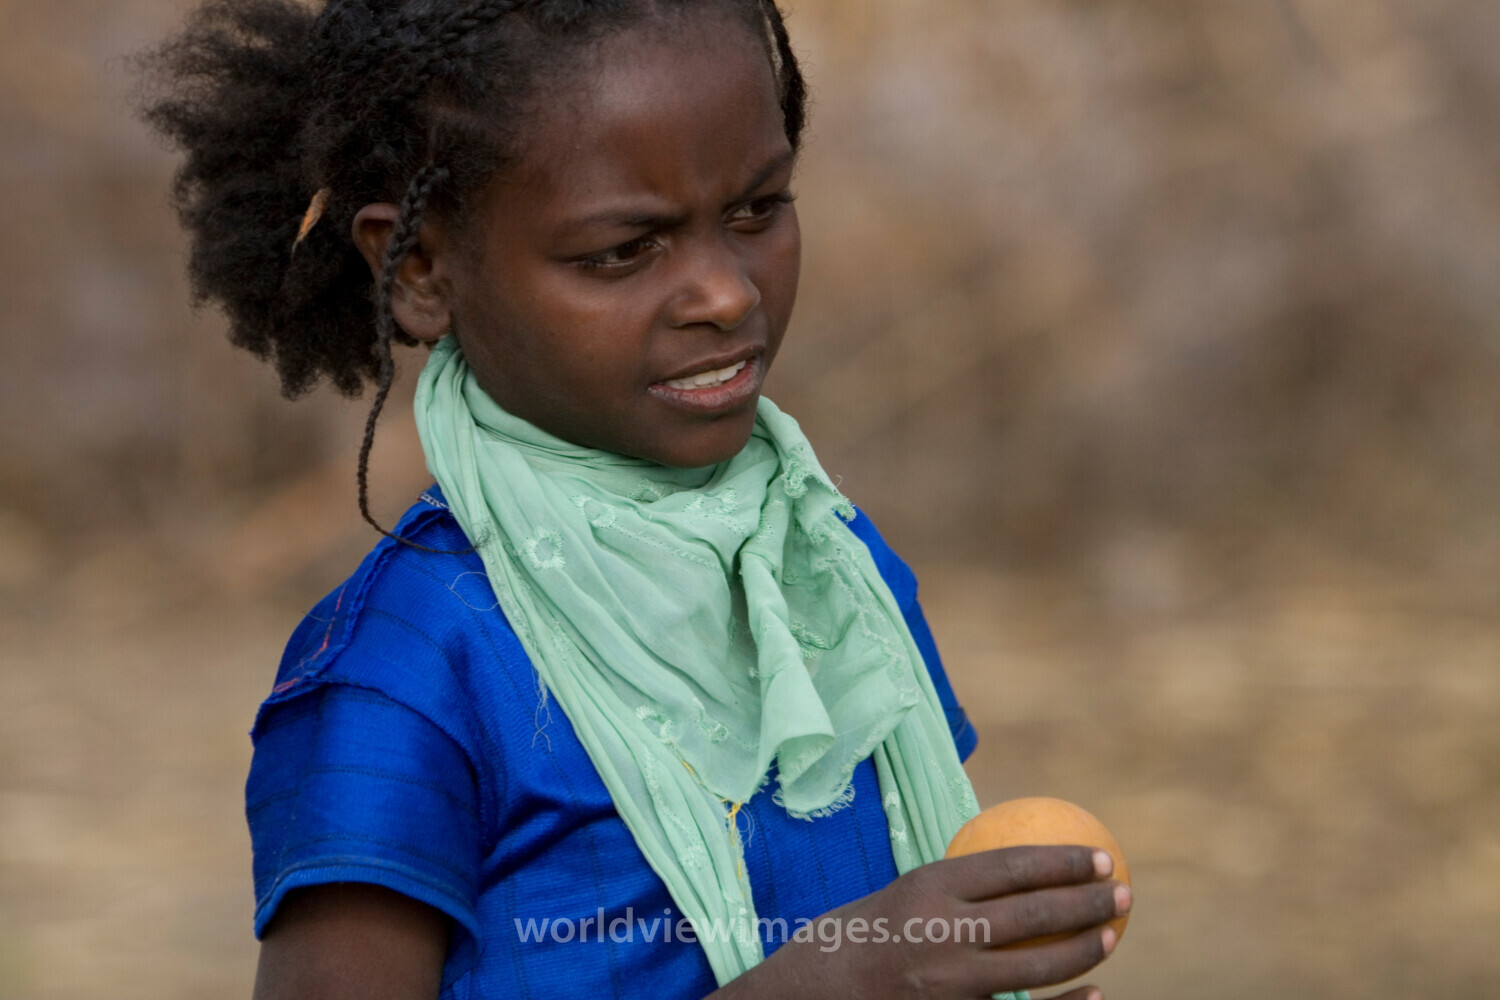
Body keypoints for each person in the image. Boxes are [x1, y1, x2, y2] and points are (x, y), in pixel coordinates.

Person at [139, 2, 1131, 998]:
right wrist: (838, 981)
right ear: (426, 270)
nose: (727, 294)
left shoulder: (827, 569)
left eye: (758, 209)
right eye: (623, 250)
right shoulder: (406, 672)